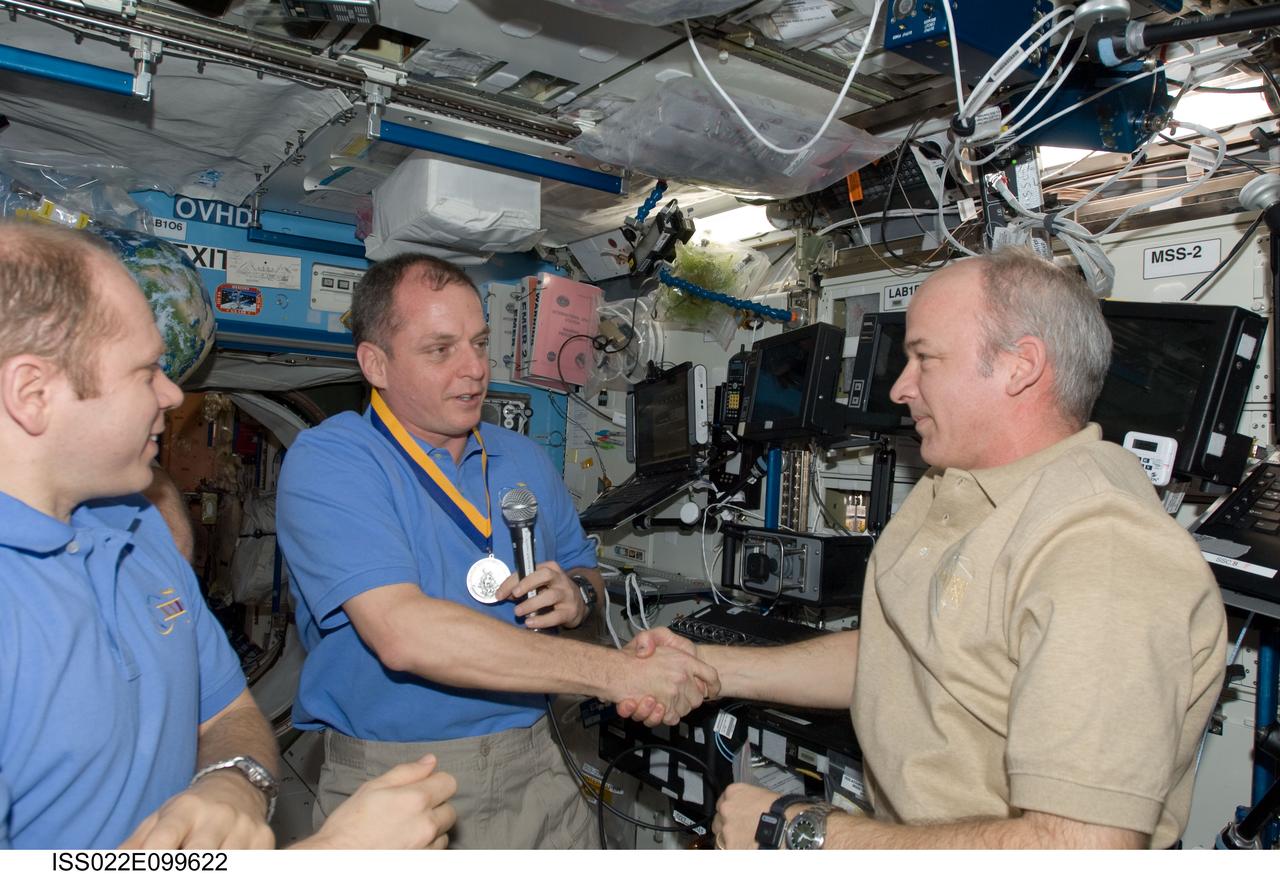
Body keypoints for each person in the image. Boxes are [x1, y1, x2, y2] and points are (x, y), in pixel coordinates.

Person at [625, 247, 1228, 850]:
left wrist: (800, 833)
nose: (900, 388)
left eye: (925, 358)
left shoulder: (1103, 551)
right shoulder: (953, 485)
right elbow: (895, 656)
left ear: (1020, 367)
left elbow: (1082, 847)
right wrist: (709, 669)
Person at [0, 221, 457, 850]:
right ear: (32, 393)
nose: (171, 394)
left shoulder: (139, 528)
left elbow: (227, 713)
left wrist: (233, 781)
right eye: (144, 372)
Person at [276, 253, 719, 849]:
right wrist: (615, 674)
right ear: (375, 363)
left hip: (538, 761)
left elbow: (588, 575)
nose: (474, 369)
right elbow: (404, 634)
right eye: (441, 350)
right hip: (399, 778)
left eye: (479, 344)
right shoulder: (333, 460)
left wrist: (578, 597)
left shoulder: (523, 457)